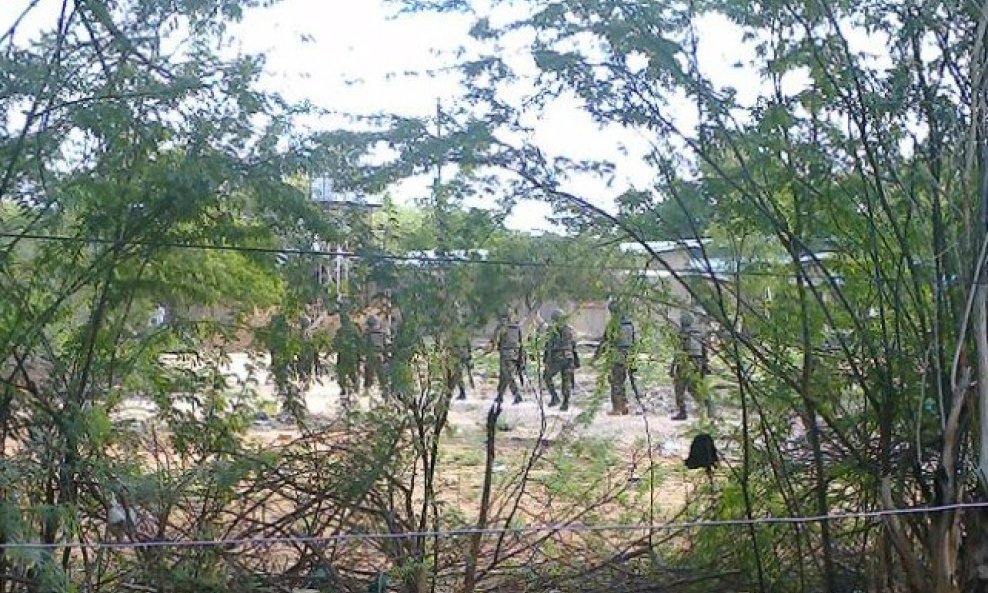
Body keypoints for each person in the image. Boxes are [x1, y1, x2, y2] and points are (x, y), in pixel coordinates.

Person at [594, 301, 635, 415]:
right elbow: (634, 342)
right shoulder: (629, 324)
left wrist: (596, 357)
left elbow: (604, 342)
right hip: (628, 356)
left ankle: (617, 408)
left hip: (617, 357)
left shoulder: (613, 325)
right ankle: (624, 405)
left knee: (615, 381)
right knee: (622, 381)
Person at [671, 310, 710, 421]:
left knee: (679, 387)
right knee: (695, 387)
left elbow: (679, 351)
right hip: (697, 363)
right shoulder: (698, 334)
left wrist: (672, 367)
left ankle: (683, 412)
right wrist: (705, 365)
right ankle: (706, 409)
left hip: (685, 362)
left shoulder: (683, 333)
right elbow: (704, 351)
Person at [543, 309, 578, 411]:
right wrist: (576, 361)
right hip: (569, 357)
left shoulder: (552, 330)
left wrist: (546, 361)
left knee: (546, 376)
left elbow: (548, 346)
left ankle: (555, 397)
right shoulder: (570, 329)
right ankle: (565, 403)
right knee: (566, 380)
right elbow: (573, 345)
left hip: (557, 357)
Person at [492, 310, 523, 404]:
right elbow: (521, 342)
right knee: (503, 375)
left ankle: (517, 394)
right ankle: (500, 396)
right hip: (515, 354)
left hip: (505, 354)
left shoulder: (501, 327)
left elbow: (495, 340)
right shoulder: (517, 327)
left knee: (508, 375)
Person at [333, 307, 361, 408]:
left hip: (344, 355)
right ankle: (355, 389)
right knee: (352, 373)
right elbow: (360, 341)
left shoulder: (341, 331)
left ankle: (345, 389)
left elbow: (335, 343)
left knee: (341, 374)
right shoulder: (354, 329)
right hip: (351, 355)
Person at [363, 314, 389, 397]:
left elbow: (364, 345)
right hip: (379, 356)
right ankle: (384, 391)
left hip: (370, 356)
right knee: (381, 375)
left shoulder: (367, 334)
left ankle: (367, 390)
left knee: (368, 373)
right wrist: (386, 357)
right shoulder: (382, 333)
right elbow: (386, 345)